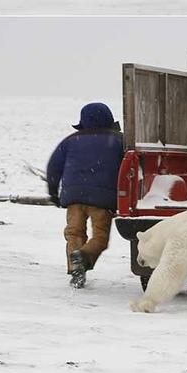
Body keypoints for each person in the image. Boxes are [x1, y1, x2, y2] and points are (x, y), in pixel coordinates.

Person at [46, 102, 124, 286]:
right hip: (102, 200)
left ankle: (76, 270)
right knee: (100, 237)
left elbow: (53, 167)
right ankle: (83, 256)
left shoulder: (71, 140)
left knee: (74, 234)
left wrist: (53, 192)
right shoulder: (119, 140)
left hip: (74, 197)